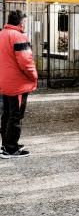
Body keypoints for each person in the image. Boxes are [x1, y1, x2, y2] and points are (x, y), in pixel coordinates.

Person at [0, 10, 38, 158]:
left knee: (7, 114)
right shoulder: (19, 36)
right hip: (17, 84)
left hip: (5, 81)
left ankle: (5, 144)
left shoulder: (2, 34)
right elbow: (26, 62)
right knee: (15, 116)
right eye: (25, 21)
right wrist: (34, 76)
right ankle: (11, 148)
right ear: (21, 22)